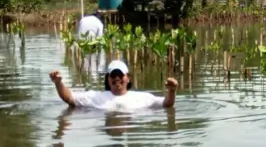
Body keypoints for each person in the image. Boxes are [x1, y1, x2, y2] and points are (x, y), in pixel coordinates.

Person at [49, 60, 178, 111]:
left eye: (120, 75)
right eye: (113, 75)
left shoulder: (143, 98)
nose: (117, 78)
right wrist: (58, 83)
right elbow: (69, 98)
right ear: (107, 79)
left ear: (128, 78)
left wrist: (172, 91)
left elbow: (167, 103)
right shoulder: (95, 97)